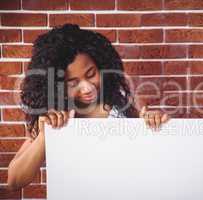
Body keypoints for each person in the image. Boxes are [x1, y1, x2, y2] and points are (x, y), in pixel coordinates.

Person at [7, 23, 170, 190]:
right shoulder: (52, 117)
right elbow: (14, 181)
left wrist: (154, 122)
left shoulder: (127, 101)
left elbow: (153, 157)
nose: (87, 88)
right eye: (72, 83)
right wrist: (43, 137)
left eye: (91, 74)